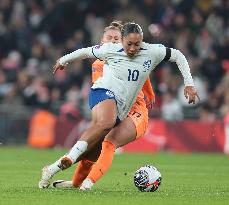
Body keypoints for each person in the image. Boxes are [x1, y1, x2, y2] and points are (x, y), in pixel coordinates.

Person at [39, 22, 199, 190]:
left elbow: (177, 56)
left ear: (142, 41)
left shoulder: (152, 52)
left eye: (137, 44)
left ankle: (55, 170)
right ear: (117, 41)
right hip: (104, 93)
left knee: (95, 150)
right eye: (127, 43)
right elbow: (85, 52)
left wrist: (189, 84)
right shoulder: (108, 52)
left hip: (126, 109)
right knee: (105, 125)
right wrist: (63, 60)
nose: (132, 48)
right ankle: (79, 171)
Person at [46, 20, 156, 190]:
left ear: (122, 41)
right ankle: (76, 183)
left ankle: (88, 183)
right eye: (109, 38)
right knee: (93, 149)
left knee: (108, 143)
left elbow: (143, 72)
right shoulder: (98, 65)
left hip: (136, 111)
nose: (112, 41)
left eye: (116, 38)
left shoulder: (132, 58)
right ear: (101, 42)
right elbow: (106, 95)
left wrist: (149, 92)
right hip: (116, 109)